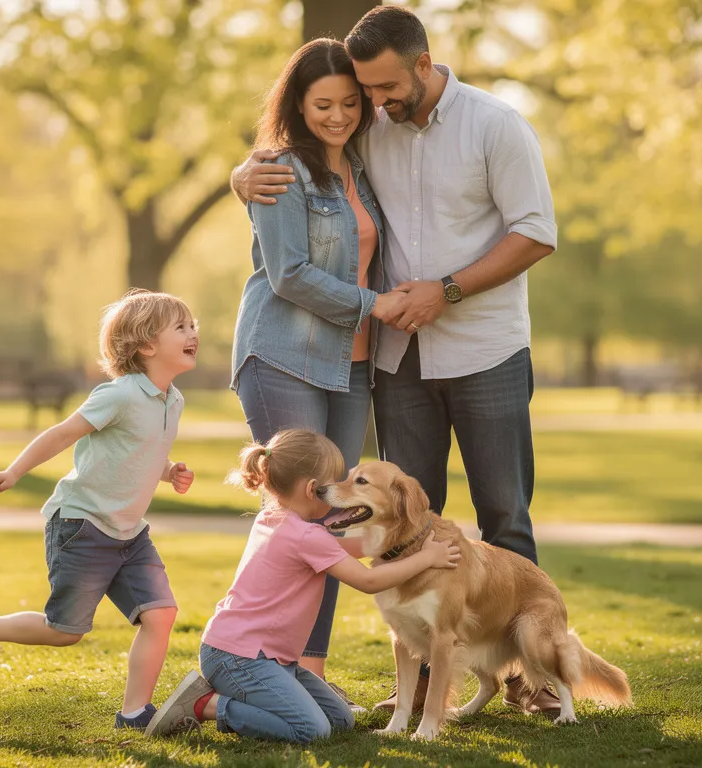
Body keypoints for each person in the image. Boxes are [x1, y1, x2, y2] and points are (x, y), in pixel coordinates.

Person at [230, 5, 560, 714]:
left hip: (486, 348)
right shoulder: (368, 127)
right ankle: (416, 685)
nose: (373, 106)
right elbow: (298, 160)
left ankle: (525, 681)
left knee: (504, 512)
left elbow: (536, 233)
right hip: (397, 357)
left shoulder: (495, 125)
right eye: (363, 93)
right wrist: (243, 175)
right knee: (405, 518)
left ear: (421, 62)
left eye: (383, 90)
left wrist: (446, 292)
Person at [230, 38, 411, 710]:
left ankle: (309, 669)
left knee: (331, 520)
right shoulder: (281, 172)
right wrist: (376, 305)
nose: (338, 116)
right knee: (298, 519)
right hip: (284, 355)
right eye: (322, 105)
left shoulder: (361, 169)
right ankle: (242, 657)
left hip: (352, 362)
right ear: (297, 108)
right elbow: (289, 276)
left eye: (349, 103)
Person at [0, 289, 200, 732]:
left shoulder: (172, 400)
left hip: (129, 534)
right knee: (65, 631)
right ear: (146, 346)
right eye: (181, 327)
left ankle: (134, 713)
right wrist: (13, 471)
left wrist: (169, 471)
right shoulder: (118, 395)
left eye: (193, 325)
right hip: (83, 527)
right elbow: (62, 434)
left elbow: (136, 451)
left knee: (161, 614)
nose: (193, 333)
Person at [144, 429, 461, 742]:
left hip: (258, 657)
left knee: (340, 720)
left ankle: (252, 697)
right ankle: (207, 705)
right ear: (312, 489)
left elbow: (353, 549)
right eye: (332, 484)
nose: (337, 491)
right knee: (312, 730)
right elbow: (369, 580)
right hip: (240, 659)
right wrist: (426, 558)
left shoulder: (274, 517)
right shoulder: (308, 537)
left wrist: (409, 540)